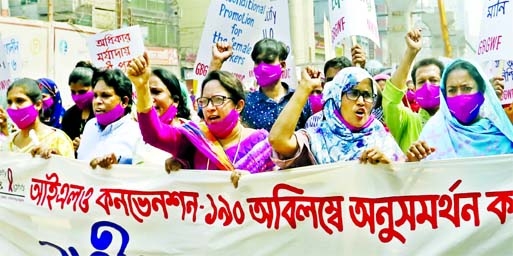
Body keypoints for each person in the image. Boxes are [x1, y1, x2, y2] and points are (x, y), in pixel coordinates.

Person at [129, 52, 276, 174]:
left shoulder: (260, 142)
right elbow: (154, 135)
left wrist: (248, 183)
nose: (209, 108)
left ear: (238, 105)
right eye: (204, 101)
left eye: (218, 99)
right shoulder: (194, 139)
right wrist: (142, 87)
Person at [269, 67, 404, 169]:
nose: (361, 101)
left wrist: (388, 166)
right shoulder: (316, 139)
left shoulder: (382, 138)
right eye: (353, 92)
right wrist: (304, 88)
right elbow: (278, 140)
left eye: (367, 95)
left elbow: (402, 187)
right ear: (337, 96)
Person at [406, 59, 513, 161]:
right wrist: (413, 163)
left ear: (481, 91)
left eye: (466, 88)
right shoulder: (433, 133)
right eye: (452, 90)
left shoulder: (503, 134)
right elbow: (423, 177)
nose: (459, 95)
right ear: (444, 96)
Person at [210, 39, 312, 131]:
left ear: (282, 65)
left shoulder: (299, 99)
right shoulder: (244, 101)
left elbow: (310, 137)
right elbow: (209, 109)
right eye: (258, 62)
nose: (262, 68)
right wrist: (216, 62)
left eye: (268, 61)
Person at [77, 68, 142, 168]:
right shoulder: (90, 126)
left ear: (124, 102)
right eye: (95, 95)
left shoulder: (138, 134)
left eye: (105, 95)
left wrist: (118, 163)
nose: (97, 101)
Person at [132, 67, 192, 166]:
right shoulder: (138, 132)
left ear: (175, 101)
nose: (149, 99)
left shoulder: (189, 134)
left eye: (156, 92)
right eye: (146, 93)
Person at [1, 78, 74, 158]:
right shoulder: (8, 143)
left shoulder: (58, 140)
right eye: (9, 102)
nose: (13, 107)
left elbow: (70, 169)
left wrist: (56, 158)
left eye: (19, 101)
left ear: (38, 105)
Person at [305, 47, 367, 128]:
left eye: (340, 79)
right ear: (324, 85)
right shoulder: (313, 123)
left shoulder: (363, 120)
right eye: (331, 80)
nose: (335, 85)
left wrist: (361, 71)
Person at [61, 62, 96, 152]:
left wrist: (86, 147)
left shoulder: (102, 114)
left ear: (95, 88)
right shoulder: (69, 116)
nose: (77, 96)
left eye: (82, 92)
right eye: (73, 92)